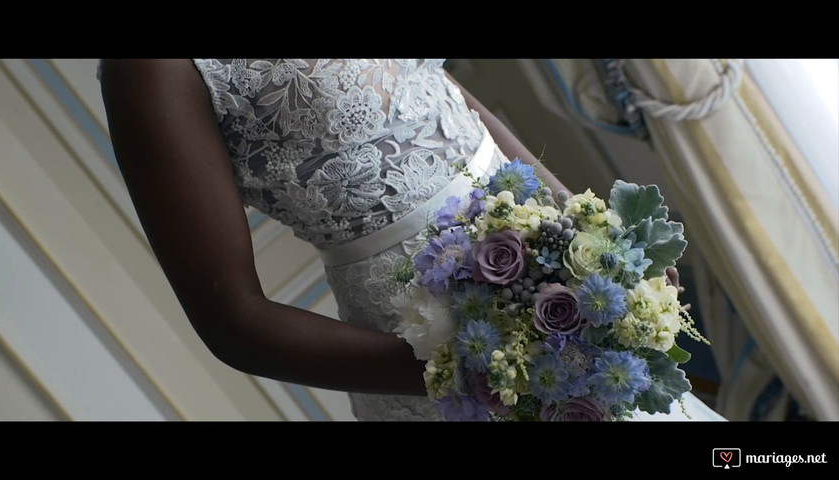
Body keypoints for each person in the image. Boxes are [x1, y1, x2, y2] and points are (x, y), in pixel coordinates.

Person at [99, 59, 724, 421]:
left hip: (556, 264)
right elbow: (232, 319)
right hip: (428, 343)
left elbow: (449, 96)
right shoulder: (150, 70)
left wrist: (590, 227)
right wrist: (471, 373)